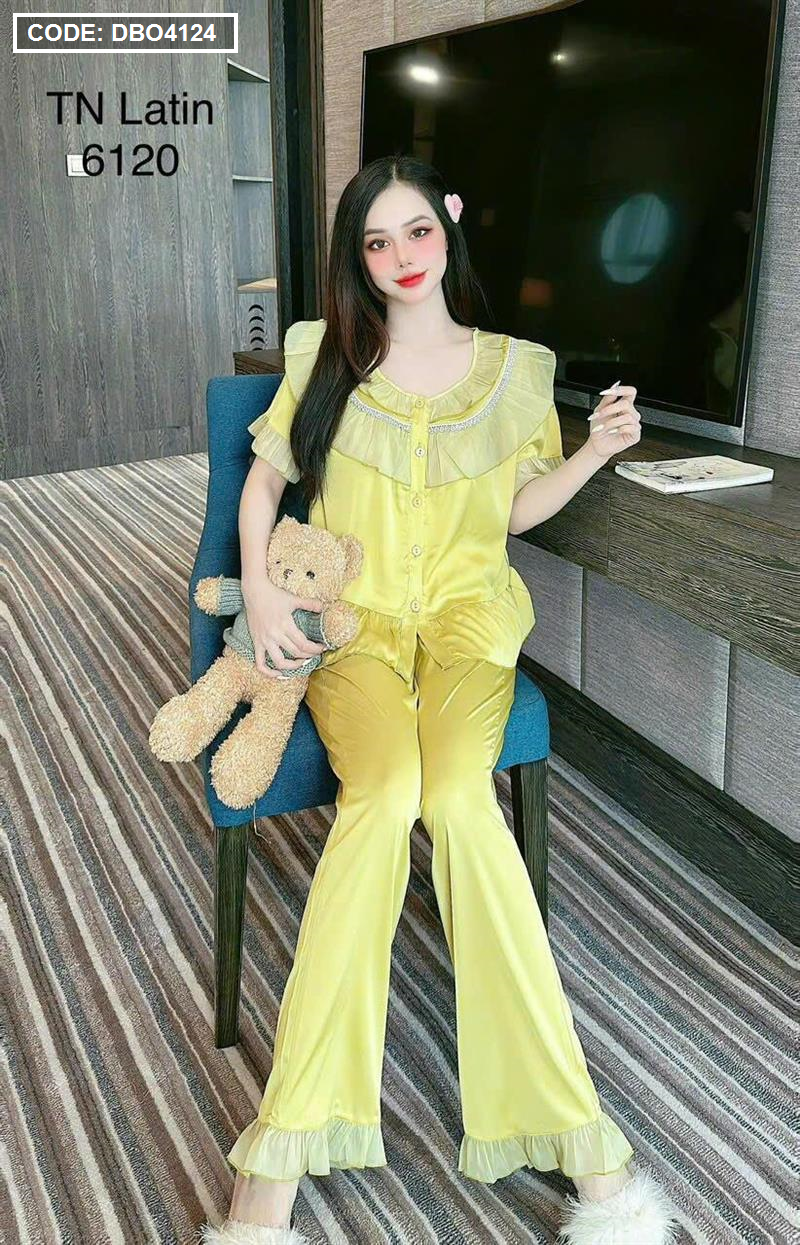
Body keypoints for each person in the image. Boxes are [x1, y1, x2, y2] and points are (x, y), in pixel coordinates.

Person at [201, 155, 677, 1245]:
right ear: (357, 257)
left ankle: (577, 1139)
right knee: (380, 801)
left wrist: (595, 452)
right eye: (376, 242)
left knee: (460, 799)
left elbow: (512, 514)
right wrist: (263, 586)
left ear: (449, 226)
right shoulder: (324, 353)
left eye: (416, 232)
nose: (400, 258)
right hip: (356, 631)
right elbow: (266, 478)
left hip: (467, 626)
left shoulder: (516, 368)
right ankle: (279, 1155)